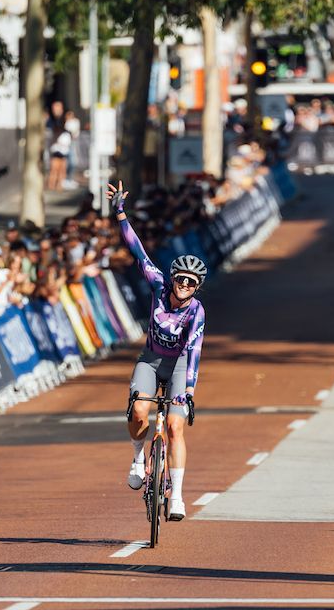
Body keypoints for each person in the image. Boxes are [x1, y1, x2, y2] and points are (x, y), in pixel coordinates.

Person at [107, 180, 207, 522]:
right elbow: (138, 250)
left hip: (179, 366)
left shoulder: (196, 312)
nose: (184, 286)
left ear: (197, 288)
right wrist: (121, 213)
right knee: (138, 412)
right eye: (181, 279)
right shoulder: (158, 284)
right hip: (150, 359)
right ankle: (138, 456)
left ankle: (177, 497)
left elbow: (193, 350)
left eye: (191, 283)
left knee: (176, 428)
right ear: (174, 277)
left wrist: (189, 390)